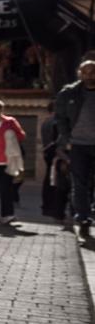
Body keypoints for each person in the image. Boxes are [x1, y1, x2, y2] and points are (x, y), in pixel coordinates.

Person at [55, 60, 95, 237]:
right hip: (78, 144)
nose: (89, 75)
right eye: (85, 72)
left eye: (93, 72)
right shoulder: (69, 92)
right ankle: (83, 217)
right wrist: (66, 139)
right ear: (80, 73)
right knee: (79, 184)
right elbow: (60, 118)